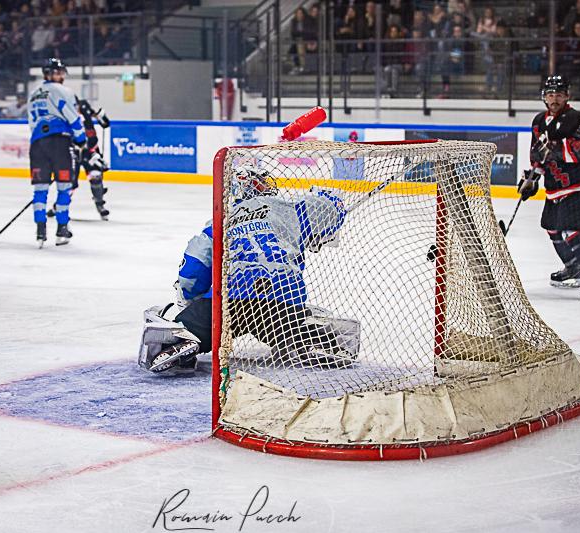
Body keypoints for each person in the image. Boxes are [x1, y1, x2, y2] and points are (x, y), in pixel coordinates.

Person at [138, 165, 360, 375]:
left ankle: (184, 339)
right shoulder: (289, 210)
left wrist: (190, 299)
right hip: (281, 296)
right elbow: (330, 210)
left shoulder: (220, 220)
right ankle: (308, 339)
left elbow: (195, 263)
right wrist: (326, 202)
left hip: (230, 299)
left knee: (195, 325)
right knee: (290, 326)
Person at [518, 75, 580, 300]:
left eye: (559, 94)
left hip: (579, 184)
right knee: (552, 227)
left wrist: (551, 150)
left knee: (572, 231)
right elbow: (538, 158)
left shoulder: (576, 119)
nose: (554, 99)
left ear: (567, 96)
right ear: (544, 96)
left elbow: (578, 151)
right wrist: (532, 179)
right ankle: (573, 268)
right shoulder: (538, 121)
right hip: (556, 186)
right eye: (551, 94)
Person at [27, 57, 86, 247]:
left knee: (40, 189)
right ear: (51, 74)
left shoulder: (33, 93)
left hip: (37, 144)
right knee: (64, 186)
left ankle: (40, 230)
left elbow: (31, 123)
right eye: (59, 72)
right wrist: (81, 138)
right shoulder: (63, 91)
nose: (61, 76)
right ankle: (62, 228)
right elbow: (72, 116)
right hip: (60, 142)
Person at [48, 99, 111, 220]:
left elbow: (102, 121)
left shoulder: (84, 106)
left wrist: (101, 117)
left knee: (96, 175)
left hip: (90, 150)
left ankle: (100, 204)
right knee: (70, 184)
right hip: (72, 152)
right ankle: (59, 206)